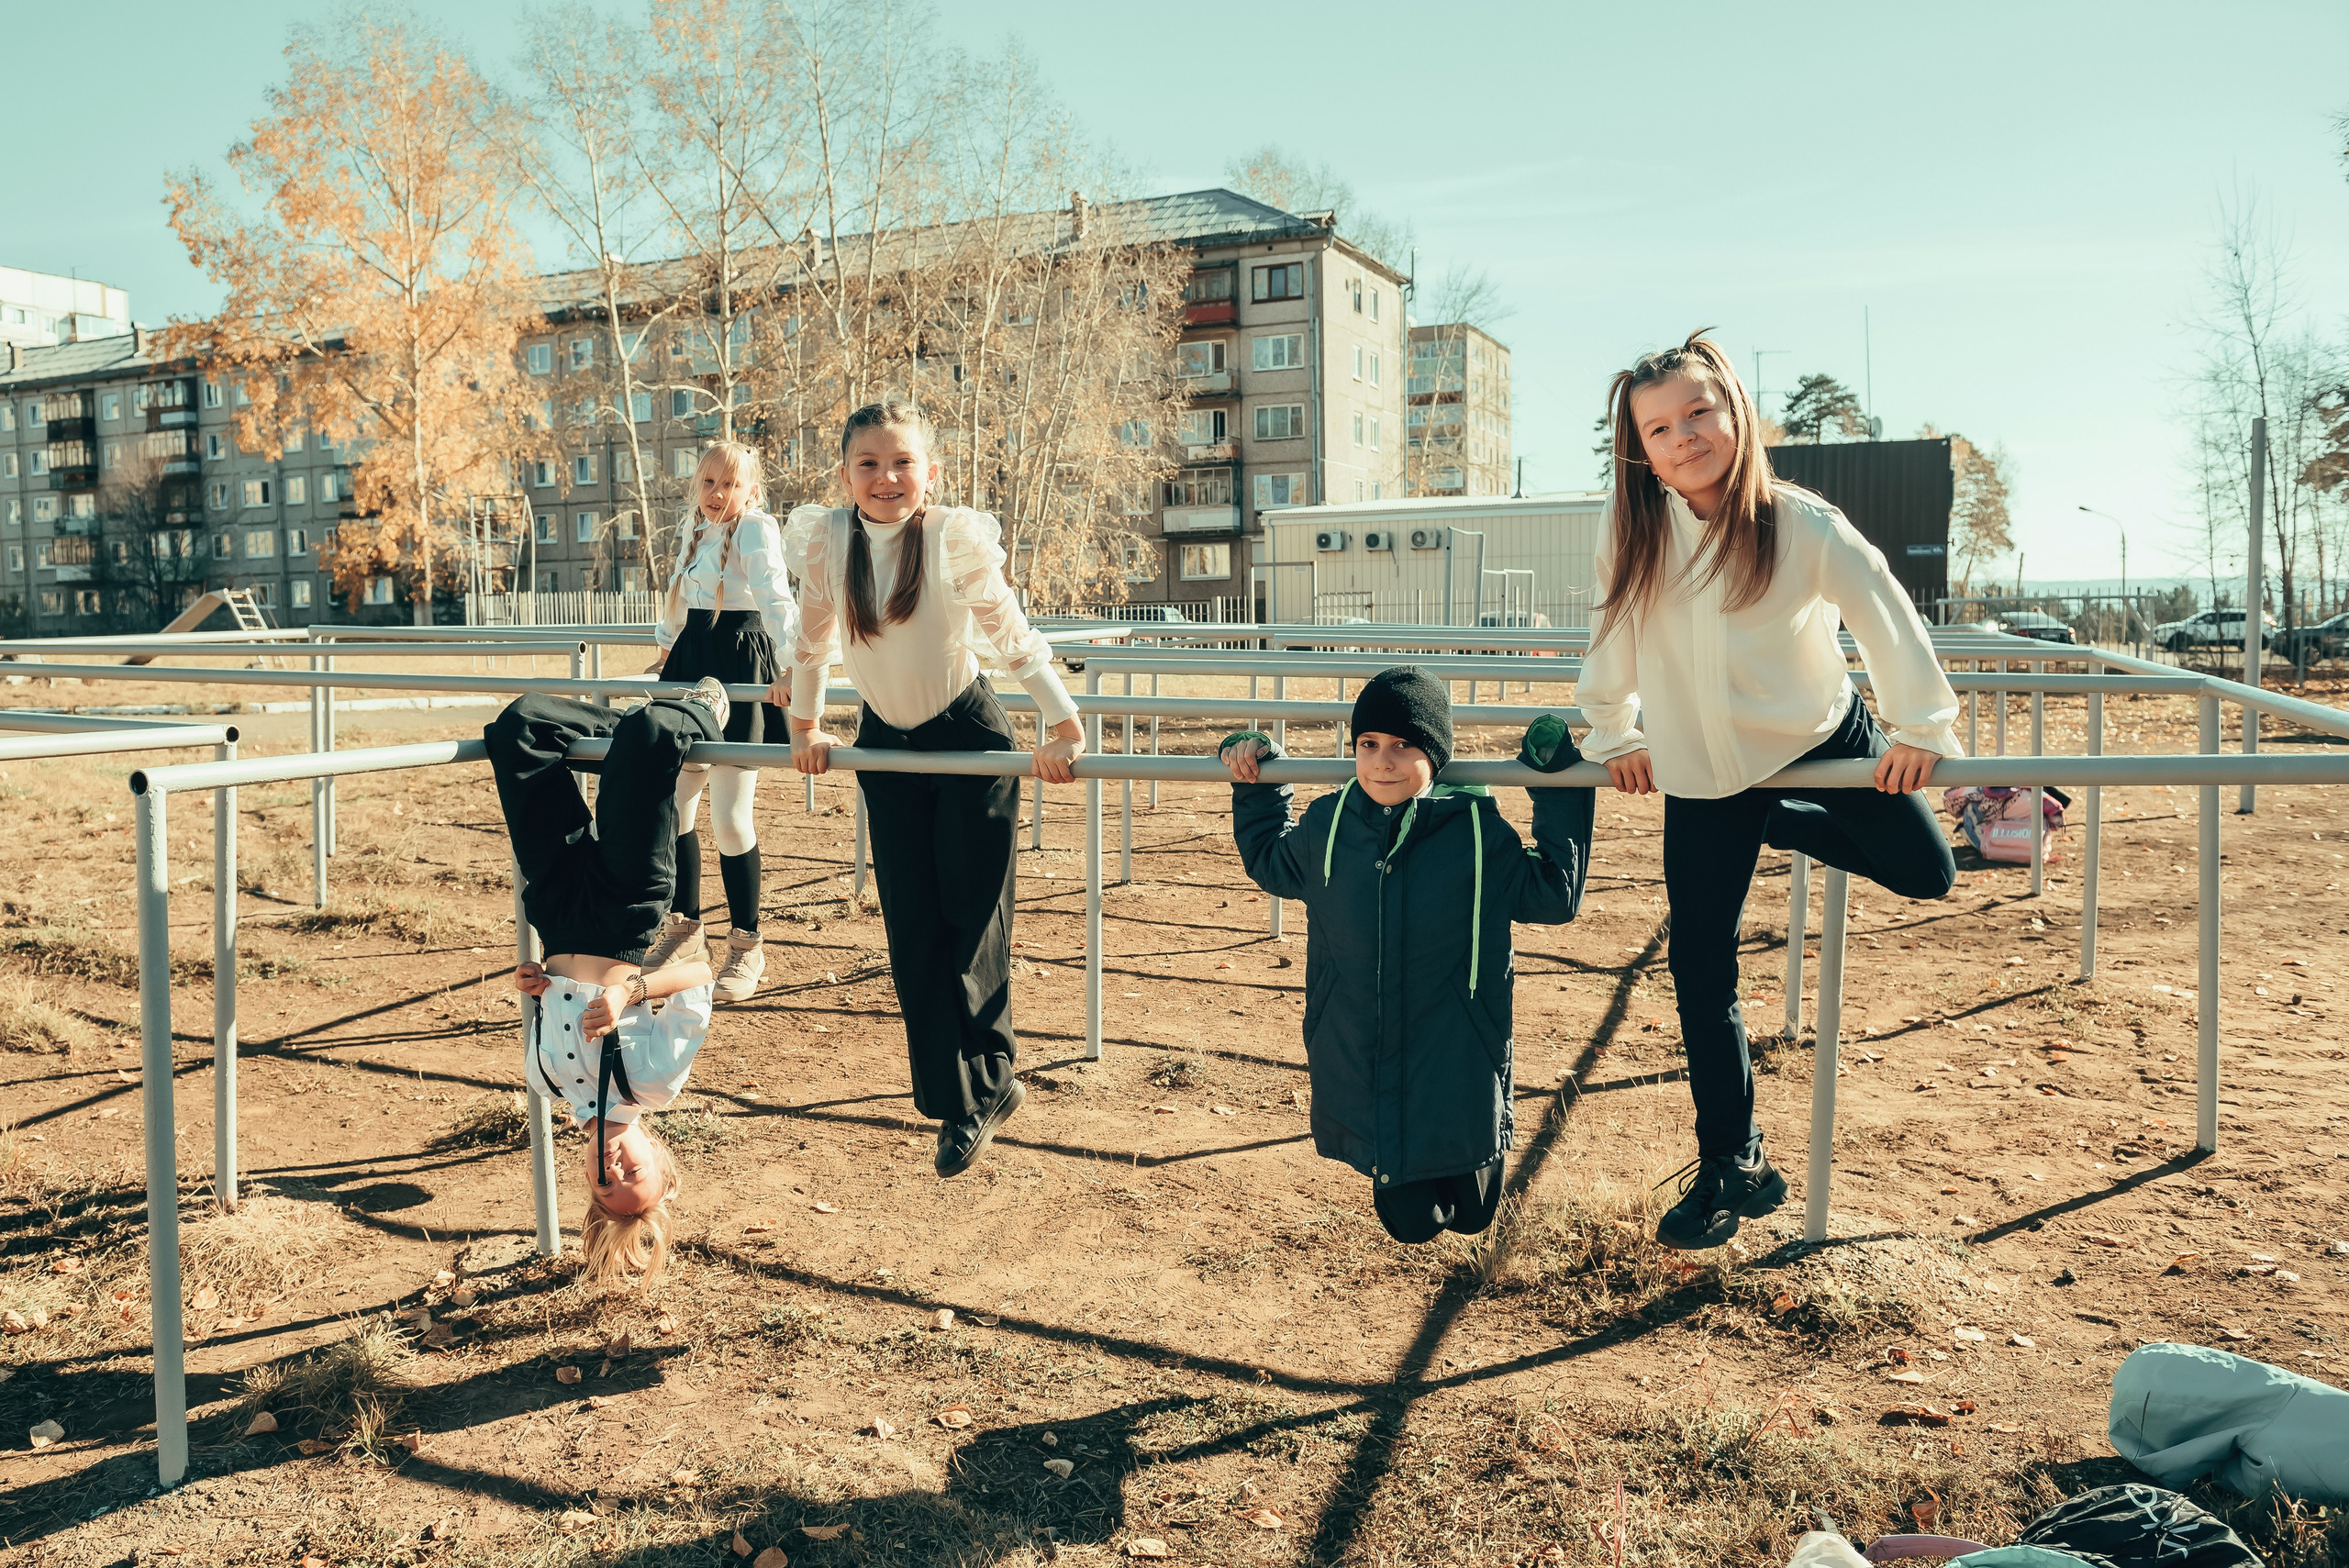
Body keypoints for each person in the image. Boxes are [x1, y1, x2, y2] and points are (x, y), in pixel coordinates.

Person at [1576, 332, 1962, 1251]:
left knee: (1926, 870)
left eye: (1698, 412)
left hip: (1818, 739)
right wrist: (1614, 730)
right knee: (1699, 969)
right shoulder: (1630, 528)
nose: (1684, 435)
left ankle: (1780, 820)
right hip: (1702, 769)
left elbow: (1883, 609)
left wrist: (1918, 727)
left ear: (1735, 412)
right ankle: (1731, 1162)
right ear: (1639, 446)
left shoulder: (1800, 522)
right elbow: (1610, 630)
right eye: (1658, 426)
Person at [785, 400, 1086, 1178]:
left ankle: (988, 1081)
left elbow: (1010, 631)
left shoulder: (952, 536)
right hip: (885, 740)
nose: (887, 478)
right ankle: (955, 1097)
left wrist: (1062, 723)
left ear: (931, 471)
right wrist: (807, 727)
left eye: (903, 462)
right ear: (846, 474)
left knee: (971, 919)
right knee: (913, 929)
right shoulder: (828, 539)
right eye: (869, 464)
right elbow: (813, 641)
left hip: (966, 736)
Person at [1219, 667, 1594, 1243]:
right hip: (1359, 1050)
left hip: (1459, 1056)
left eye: (1403, 746)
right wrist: (1257, 780)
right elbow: (1271, 859)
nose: (1383, 762)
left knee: (1474, 1215)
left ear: (1436, 755)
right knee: (1412, 1223)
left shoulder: (1475, 833)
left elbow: (1554, 893)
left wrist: (1557, 785)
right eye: (1368, 745)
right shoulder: (1329, 826)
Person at [485, 678, 729, 1284]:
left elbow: (552, 996)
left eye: (604, 1184)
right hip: (625, 910)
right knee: (650, 737)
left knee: (517, 730)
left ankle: (618, 727)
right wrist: (631, 991)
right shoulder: (654, 1082)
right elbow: (701, 974)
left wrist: (535, 980)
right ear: (663, 1165)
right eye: (635, 1177)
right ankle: (698, 712)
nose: (615, 1170)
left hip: (557, 906)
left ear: (586, 1176)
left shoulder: (544, 1082)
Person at [641, 441, 799, 1004]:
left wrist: (788, 666)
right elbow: (678, 604)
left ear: (751, 489)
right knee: (677, 806)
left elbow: (777, 599)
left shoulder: (756, 528)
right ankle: (685, 930)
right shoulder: (694, 527)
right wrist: (663, 655)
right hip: (690, 665)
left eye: (729, 485)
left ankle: (746, 943)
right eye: (708, 482)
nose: (716, 494)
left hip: (740, 666)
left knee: (731, 817)